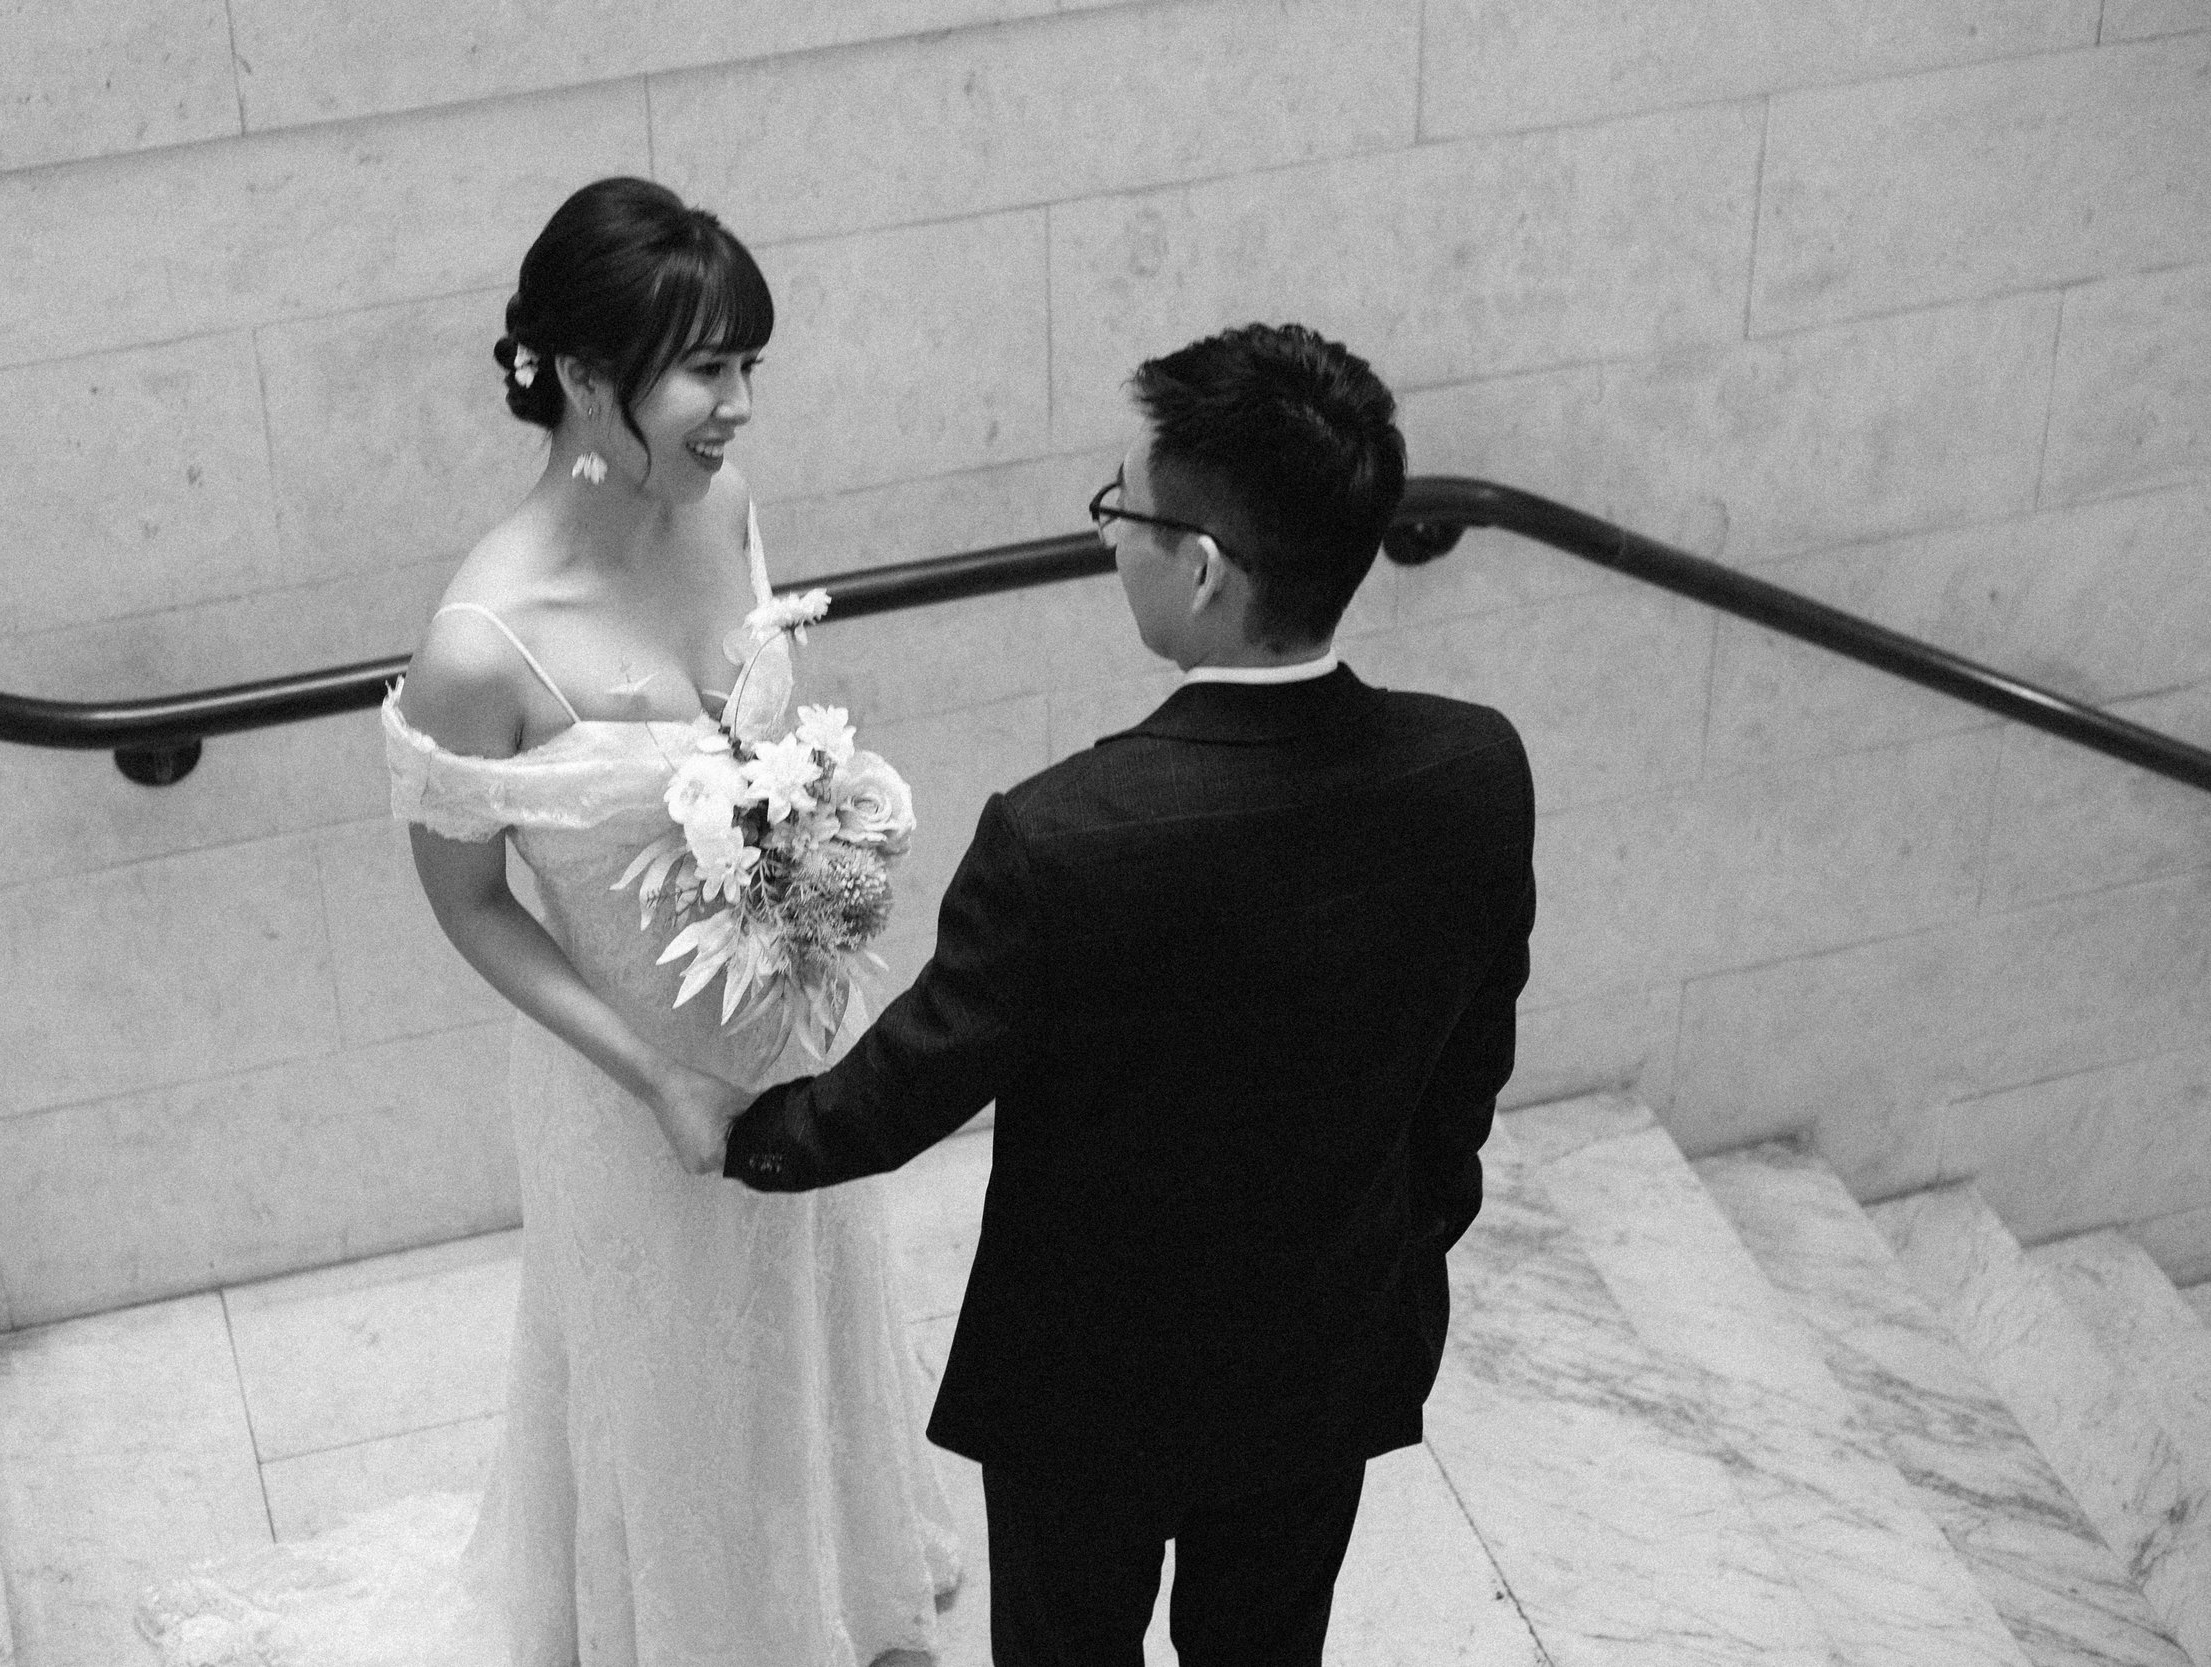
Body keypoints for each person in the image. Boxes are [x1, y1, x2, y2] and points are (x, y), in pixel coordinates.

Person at [136, 177, 959, 1666]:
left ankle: (832, 1594)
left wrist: (831, 854)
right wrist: (656, 1076)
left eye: (747, 364)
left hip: (785, 1025)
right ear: (584, 377)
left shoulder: (724, 509)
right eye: (705, 370)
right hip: (625, 1078)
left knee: (808, 1312)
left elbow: (764, 742)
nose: (737, 406)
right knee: (671, 1372)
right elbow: (468, 905)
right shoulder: (480, 647)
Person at [660, 323, 1537, 1665]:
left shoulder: (1064, 838)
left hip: (1087, 1393)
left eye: (1121, 509)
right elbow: (1468, 1071)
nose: (1110, 537)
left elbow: (906, 1090)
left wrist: (744, 1134)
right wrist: (1400, 1251)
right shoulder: (1475, 771)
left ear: (1202, 568)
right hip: (1328, 1352)